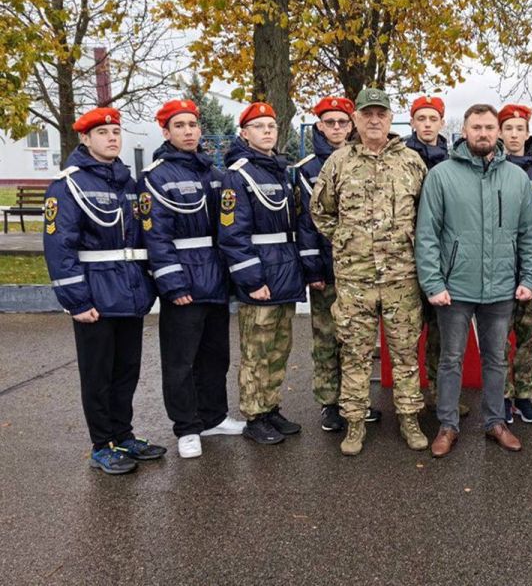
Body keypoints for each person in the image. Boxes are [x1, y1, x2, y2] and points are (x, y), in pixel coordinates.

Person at [43, 107, 165, 474]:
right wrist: (76, 301)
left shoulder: (128, 184)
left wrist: (146, 289)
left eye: (116, 132)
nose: (112, 138)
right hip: (95, 298)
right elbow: (59, 249)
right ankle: (102, 445)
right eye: (102, 133)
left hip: (129, 294)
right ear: (85, 138)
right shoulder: (68, 185)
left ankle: (124, 436)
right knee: (98, 375)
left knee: (127, 371)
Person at [416, 104, 532, 457]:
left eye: (489, 127)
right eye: (476, 127)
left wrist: (528, 277)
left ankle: (495, 422)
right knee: (450, 359)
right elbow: (427, 234)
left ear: (498, 132)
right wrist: (433, 283)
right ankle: (447, 425)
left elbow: (530, 234)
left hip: (501, 286)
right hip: (455, 287)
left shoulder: (517, 178)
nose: (483, 133)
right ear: (464, 131)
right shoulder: (441, 176)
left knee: (496, 359)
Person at [311, 88, 429, 456]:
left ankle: (409, 418)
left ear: (391, 119)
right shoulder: (338, 163)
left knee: (406, 354)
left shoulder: (412, 162)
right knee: (355, 354)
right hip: (355, 279)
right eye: (367, 114)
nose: (374, 120)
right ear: (356, 120)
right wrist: (346, 239)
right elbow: (321, 211)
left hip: (401, 278)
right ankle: (355, 423)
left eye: (381, 113)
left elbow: (430, 216)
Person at [139, 99, 245, 459]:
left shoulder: (214, 175)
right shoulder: (156, 176)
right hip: (184, 281)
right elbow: (155, 237)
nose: (188, 132)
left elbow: (228, 230)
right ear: (166, 132)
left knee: (215, 356)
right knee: (180, 361)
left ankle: (214, 416)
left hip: (214, 278)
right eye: (179, 126)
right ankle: (186, 426)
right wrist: (173, 284)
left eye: (192, 125)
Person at [293, 96, 383, 433]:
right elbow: (306, 222)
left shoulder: (365, 160)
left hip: (361, 271)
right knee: (327, 338)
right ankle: (330, 403)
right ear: (319, 126)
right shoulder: (307, 170)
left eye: (342, 122)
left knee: (357, 342)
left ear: (353, 124)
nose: (336, 128)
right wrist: (314, 268)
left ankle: (356, 401)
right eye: (329, 122)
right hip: (329, 270)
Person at [219, 102, 306, 445]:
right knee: (256, 351)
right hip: (261, 279)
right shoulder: (237, 175)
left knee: (279, 348)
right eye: (259, 127)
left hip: (284, 272)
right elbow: (232, 235)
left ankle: (270, 408)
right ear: (244, 134)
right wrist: (252, 280)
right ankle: (254, 415)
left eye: (271, 126)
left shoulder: (277, 171)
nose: (268, 131)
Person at [404, 95, 469, 418]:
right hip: (404, 256)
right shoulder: (399, 157)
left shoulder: (456, 158)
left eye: (433, 119)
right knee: (406, 332)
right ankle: (408, 400)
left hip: (445, 258)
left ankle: (440, 396)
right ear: (412, 122)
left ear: (442, 123)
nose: (427, 125)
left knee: (443, 334)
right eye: (421, 118)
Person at [498, 103, 532, 424]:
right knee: (499, 341)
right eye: (509, 128)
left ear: (528, 133)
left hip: (531, 272)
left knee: (528, 339)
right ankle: (503, 397)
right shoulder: (490, 169)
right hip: (500, 272)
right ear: (500, 133)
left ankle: (525, 396)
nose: (514, 134)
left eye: (520, 129)